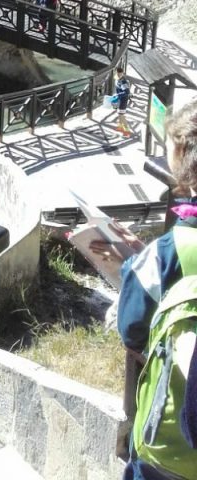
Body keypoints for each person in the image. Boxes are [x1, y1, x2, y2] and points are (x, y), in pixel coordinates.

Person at [116, 101, 197, 479]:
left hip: (170, 446)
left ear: (183, 156)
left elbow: (131, 329)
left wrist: (134, 264)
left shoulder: (168, 251)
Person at [112, 65, 133, 136]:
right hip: (120, 99)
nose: (118, 75)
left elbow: (127, 92)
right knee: (119, 114)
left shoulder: (123, 81)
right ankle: (120, 127)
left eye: (119, 74)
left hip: (123, 100)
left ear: (122, 73)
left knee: (122, 115)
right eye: (117, 73)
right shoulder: (117, 79)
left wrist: (118, 95)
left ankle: (127, 131)